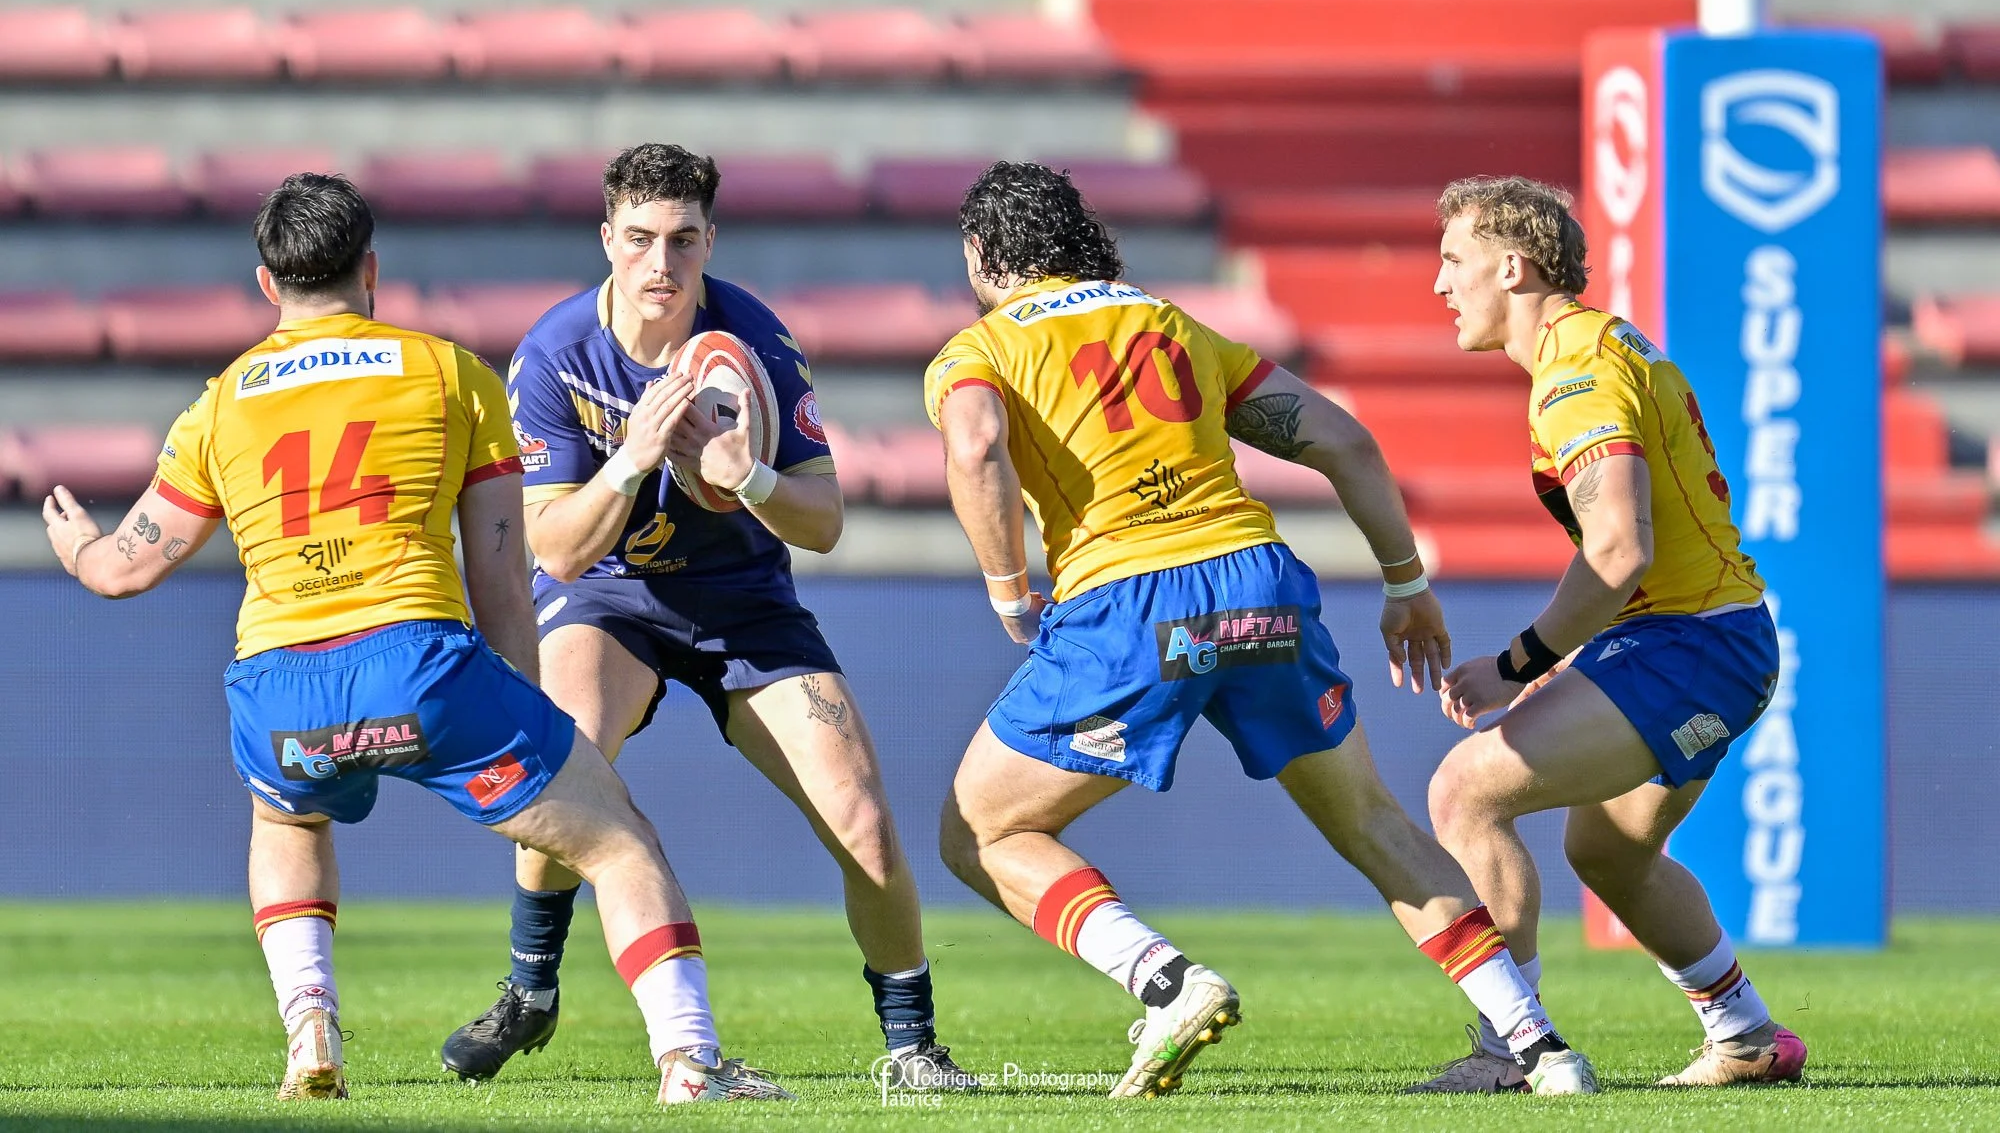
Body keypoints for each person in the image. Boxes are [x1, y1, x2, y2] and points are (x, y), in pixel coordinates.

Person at [41, 174, 789, 1104]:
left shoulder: (222, 401)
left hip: (280, 688)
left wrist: (75, 545)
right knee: (617, 843)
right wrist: (525, 703)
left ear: (268, 286)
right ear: (371, 270)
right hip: (421, 670)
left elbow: (124, 569)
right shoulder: (449, 373)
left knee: (286, 818)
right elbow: (504, 577)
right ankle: (691, 1063)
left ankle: (311, 1024)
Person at [928, 161, 1598, 1099]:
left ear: (981, 254)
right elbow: (1343, 440)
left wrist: (1007, 587)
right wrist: (1406, 584)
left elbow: (975, 446)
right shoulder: (1170, 325)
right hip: (1260, 590)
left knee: (980, 829)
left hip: (1131, 602)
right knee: (1372, 823)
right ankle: (1541, 1049)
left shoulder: (981, 349)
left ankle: (1166, 985)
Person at [439, 143, 971, 1090]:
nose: (661, 264)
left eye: (683, 240)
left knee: (863, 819)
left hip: (746, 606)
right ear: (607, 238)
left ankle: (912, 1047)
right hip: (609, 595)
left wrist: (750, 477)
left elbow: (826, 521)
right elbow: (556, 547)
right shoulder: (558, 355)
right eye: (639, 238)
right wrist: (634, 455)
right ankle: (530, 990)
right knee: (572, 769)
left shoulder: (758, 345)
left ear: (710, 241)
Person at [1413, 174, 1806, 1092]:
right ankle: (1746, 1037)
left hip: (1692, 645)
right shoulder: (1596, 346)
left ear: (1513, 267)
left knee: (1466, 794)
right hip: (1713, 639)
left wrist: (1519, 666)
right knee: (1608, 849)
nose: (1439, 284)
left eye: (1453, 260)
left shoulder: (1574, 374)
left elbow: (1621, 547)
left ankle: (1511, 1049)